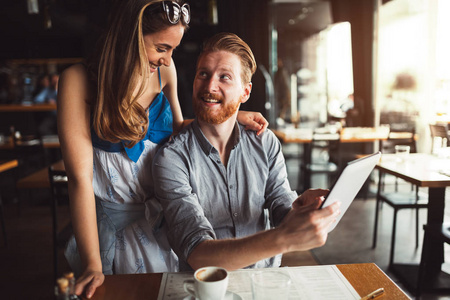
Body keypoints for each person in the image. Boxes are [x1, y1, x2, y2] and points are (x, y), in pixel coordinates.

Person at [57, 1, 267, 299]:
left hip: (166, 219)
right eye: (162, 48)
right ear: (130, 38)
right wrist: (92, 264)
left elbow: (178, 130)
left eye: (173, 50)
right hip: (114, 230)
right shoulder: (76, 82)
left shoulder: (163, 74)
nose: (168, 60)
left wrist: (232, 116)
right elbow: (79, 180)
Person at [152, 32, 340, 272]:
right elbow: (197, 252)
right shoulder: (172, 158)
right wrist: (284, 238)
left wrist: (302, 209)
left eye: (225, 77)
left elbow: (281, 206)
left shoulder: (265, 142)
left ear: (245, 92)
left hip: (266, 282)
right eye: (203, 74)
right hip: (207, 289)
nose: (210, 86)